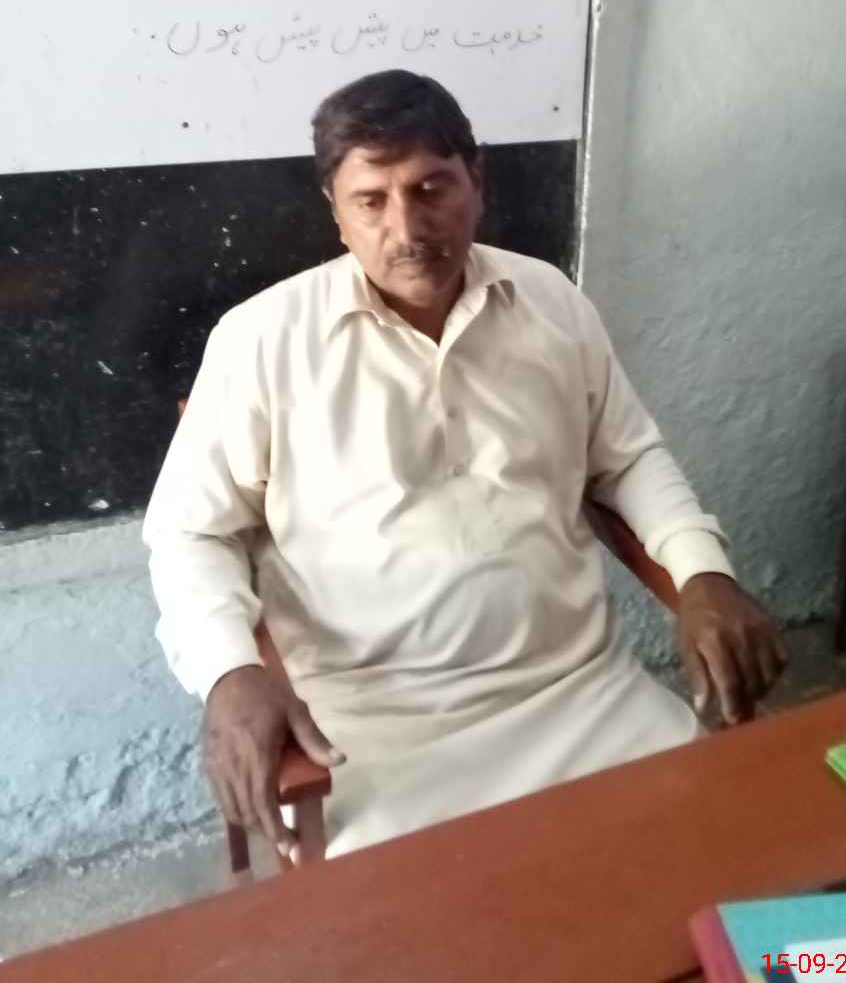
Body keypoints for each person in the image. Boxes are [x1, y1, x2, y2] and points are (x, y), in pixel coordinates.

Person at [144, 69, 786, 863]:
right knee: (415, 928)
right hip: (373, 737)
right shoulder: (261, 342)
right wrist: (229, 671)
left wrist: (702, 572)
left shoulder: (551, 303)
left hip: (582, 694)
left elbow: (626, 460)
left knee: (722, 874)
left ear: (477, 181)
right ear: (335, 212)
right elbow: (191, 533)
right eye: (371, 200)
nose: (407, 227)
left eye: (431, 188)